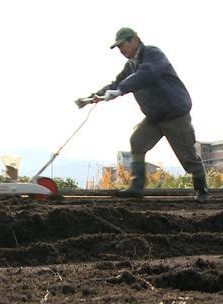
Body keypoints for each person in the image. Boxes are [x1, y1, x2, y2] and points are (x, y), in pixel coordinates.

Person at [82, 27, 209, 201]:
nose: (121, 51)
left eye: (123, 46)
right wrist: (94, 97)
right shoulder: (131, 66)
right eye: (118, 48)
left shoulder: (153, 54)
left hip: (174, 114)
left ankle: (202, 190)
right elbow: (117, 83)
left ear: (134, 40)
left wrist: (120, 90)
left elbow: (147, 73)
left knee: (187, 155)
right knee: (138, 141)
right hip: (155, 116)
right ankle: (136, 186)